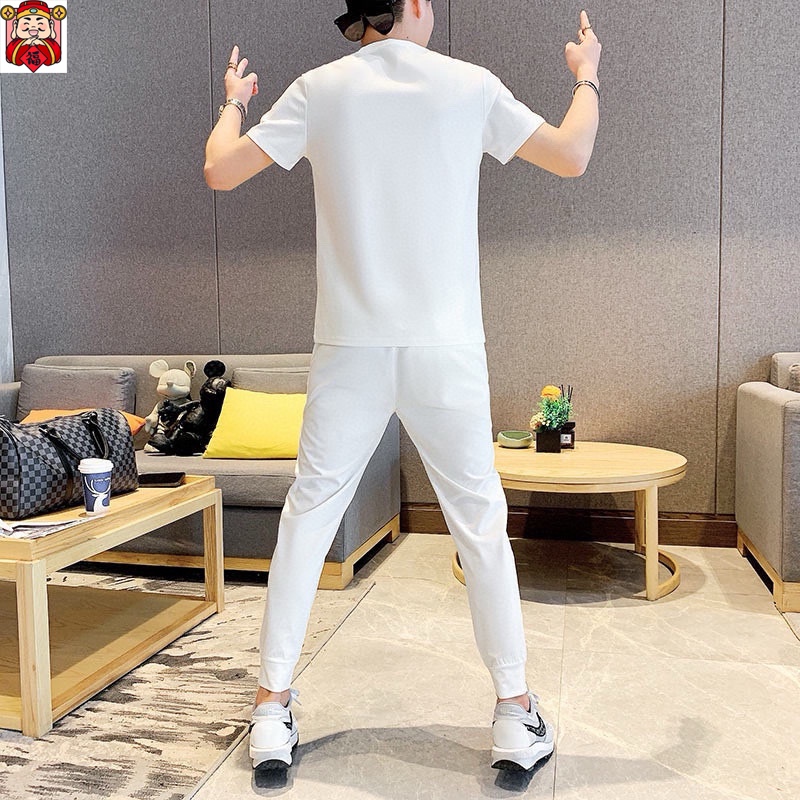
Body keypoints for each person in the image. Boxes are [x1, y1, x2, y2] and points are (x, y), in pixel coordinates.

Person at [204, 0, 601, 775]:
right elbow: (572, 154)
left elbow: (220, 170)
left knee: (308, 517)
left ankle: (270, 710)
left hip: (349, 345)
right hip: (445, 345)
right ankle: (515, 713)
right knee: (479, 523)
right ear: (415, 5)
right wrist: (586, 76)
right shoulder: (469, 84)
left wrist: (233, 103)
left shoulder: (318, 89)